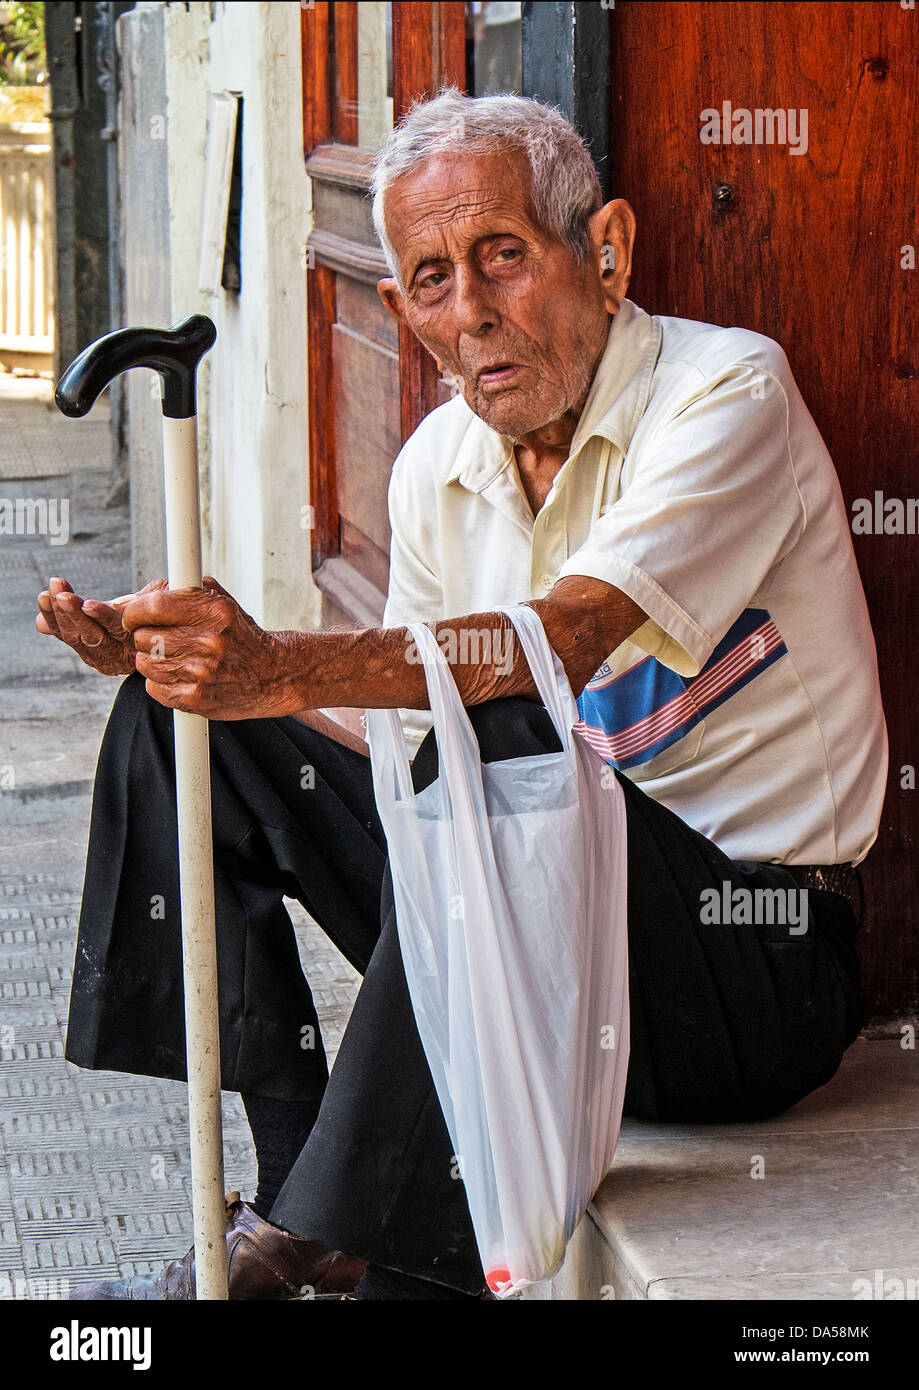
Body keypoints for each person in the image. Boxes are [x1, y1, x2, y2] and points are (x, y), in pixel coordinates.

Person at [37, 89, 887, 1301]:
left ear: (604, 253)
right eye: (430, 279)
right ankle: (294, 1212)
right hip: (543, 937)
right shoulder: (441, 458)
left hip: (741, 965)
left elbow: (564, 643)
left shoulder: (724, 393)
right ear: (398, 309)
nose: (471, 312)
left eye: (502, 256)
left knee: (510, 718)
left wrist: (280, 658)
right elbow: (400, 733)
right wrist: (201, 671)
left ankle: (351, 1230)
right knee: (194, 727)